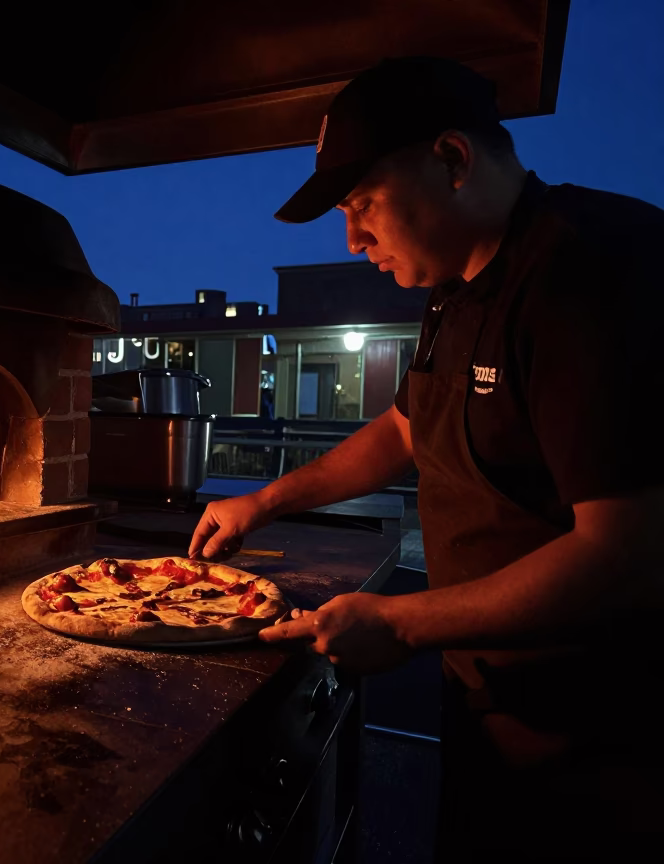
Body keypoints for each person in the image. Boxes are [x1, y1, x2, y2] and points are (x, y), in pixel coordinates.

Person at [188, 56, 664, 862]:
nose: (352, 237)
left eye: (363, 203)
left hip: (602, 740)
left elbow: (629, 553)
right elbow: (406, 429)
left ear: (451, 160)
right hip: (489, 698)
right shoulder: (455, 284)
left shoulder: (592, 270)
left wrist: (402, 623)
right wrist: (265, 500)